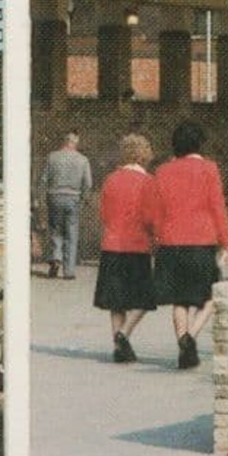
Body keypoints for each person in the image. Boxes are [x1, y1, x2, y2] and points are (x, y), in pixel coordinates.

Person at [151, 121, 228, 371]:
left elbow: (157, 210)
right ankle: (190, 337)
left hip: (171, 242)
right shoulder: (208, 169)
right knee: (210, 295)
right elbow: (217, 206)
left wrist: (157, 237)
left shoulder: (162, 171)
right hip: (201, 241)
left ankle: (183, 343)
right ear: (199, 143)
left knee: (180, 299)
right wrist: (226, 242)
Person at [94, 133, 158, 363]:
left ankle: (118, 343)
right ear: (145, 155)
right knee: (145, 298)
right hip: (137, 245)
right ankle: (124, 334)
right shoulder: (148, 182)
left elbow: (103, 213)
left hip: (112, 243)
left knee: (116, 300)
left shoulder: (111, 179)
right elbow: (151, 217)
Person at [37, 130, 93, 279]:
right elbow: (87, 183)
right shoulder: (83, 160)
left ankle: (56, 258)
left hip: (54, 197)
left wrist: (42, 199)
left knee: (56, 230)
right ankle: (69, 271)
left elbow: (43, 181)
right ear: (76, 142)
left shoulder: (52, 157)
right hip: (73, 198)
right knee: (71, 233)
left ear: (64, 141)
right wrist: (84, 200)